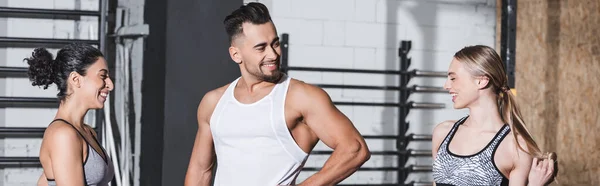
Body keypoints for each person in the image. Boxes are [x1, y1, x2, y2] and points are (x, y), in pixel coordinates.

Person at [184, 2, 371, 186]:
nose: (273, 54)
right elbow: (200, 171)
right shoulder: (214, 102)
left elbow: (355, 149)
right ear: (236, 55)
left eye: (275, 43)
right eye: (261, 47)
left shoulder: (300, 97)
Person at [431, 45, 557, 186]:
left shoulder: (514, 147)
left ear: (481, 81)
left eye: (453, 78)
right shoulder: (443, 133)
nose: (446, 85)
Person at [27, 43, 115, 186]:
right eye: (103, 76)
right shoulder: (63, 135)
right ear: (76, 79)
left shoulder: (87, 131)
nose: (110, 85)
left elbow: (44, 182)